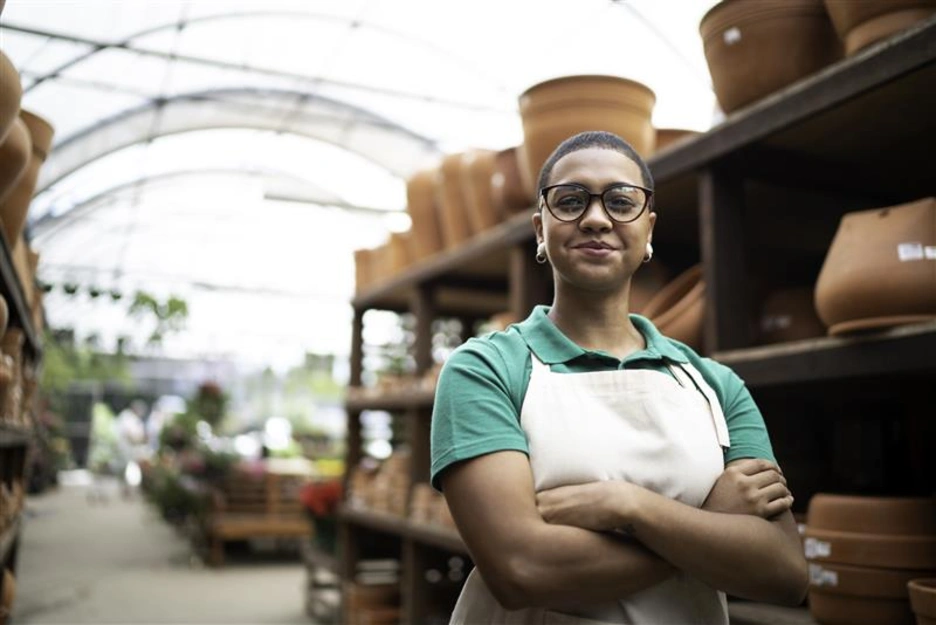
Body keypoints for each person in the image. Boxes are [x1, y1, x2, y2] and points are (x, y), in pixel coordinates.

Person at [430, 130, 807, 624]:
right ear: (540, 228)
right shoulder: (486, 369)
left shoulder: (714, 385)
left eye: (620, 201)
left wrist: (628, 506)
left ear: (647, 229)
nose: (595, 218)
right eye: (569, 201)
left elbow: (784, 571)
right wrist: (711, 527)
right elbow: (521, 568)